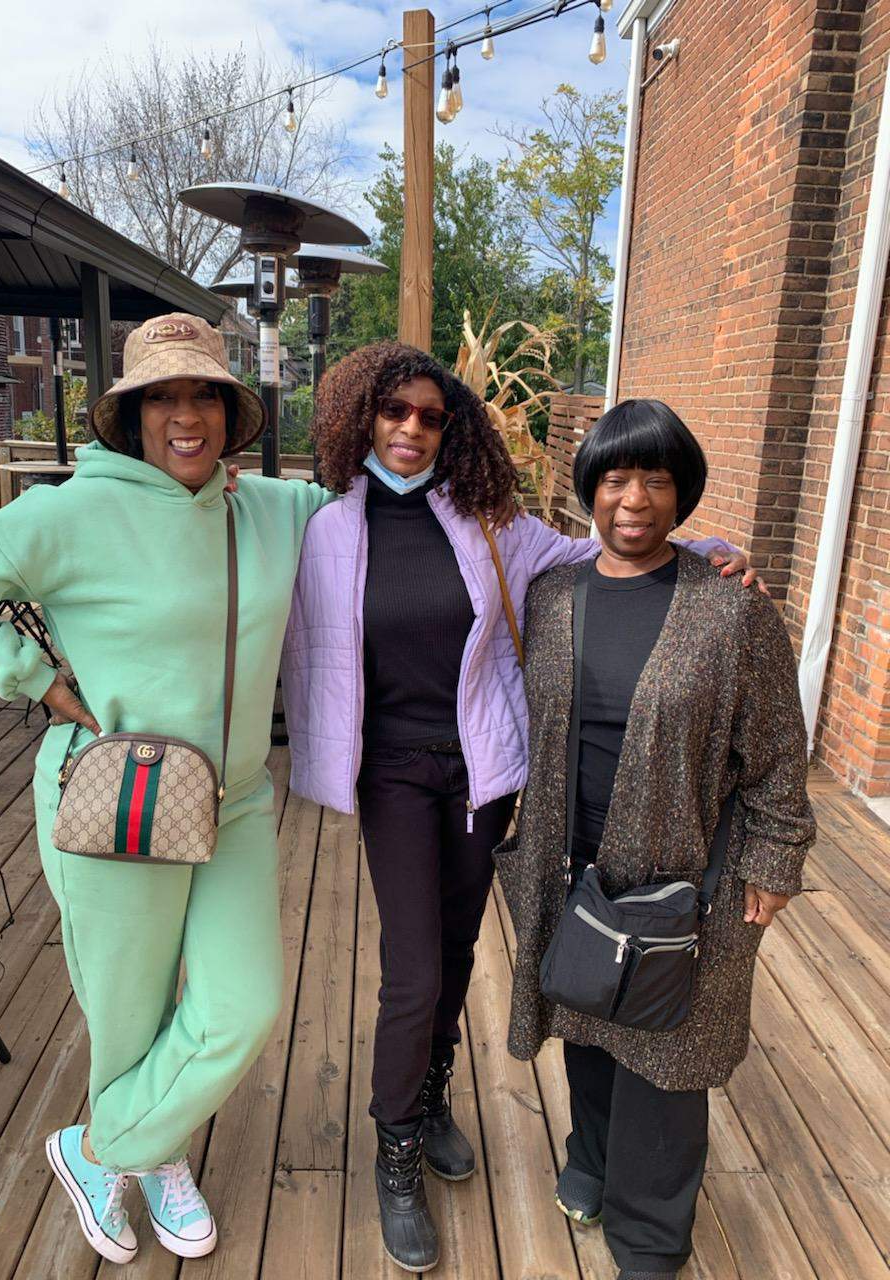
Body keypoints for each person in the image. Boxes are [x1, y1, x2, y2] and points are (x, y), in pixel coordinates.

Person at [279, 345, 757, 1273]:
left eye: (430, 417)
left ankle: (431, 1094)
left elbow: (602, 553)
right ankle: (397, 1153)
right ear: (360, 421)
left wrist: (711, 552)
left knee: (457, 951)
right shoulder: (322, 529)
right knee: (413, 968)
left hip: (480, 774)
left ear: (450, 429)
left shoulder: (487, 522)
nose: (412, 430)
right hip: (392, 778)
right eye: (395, 413)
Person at [0, 314, 335, 1265]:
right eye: (163, 397)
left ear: (233, 413)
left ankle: (105, 1145)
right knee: (130, 1008)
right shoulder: (73, 511)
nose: (185, 417)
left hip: (231, 802)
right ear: (131, 416)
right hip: (115, 797)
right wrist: (31, 675)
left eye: (204, 395)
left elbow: (403, 513)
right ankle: (154, 1156)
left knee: (241, 1006)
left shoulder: (277, 509)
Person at [493, 398, 815, 1280]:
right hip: (569, 865)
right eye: (614, 478)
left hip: (688, 879)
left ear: (683, 494)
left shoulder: (729, 612)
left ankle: (648, 1240)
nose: (633, 499)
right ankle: (590, 1165)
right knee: (588, 1021)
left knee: (668, 1061)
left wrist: (775, 858)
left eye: (656, 479)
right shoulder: (553, 597)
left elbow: (780, 751)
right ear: (589, 490)